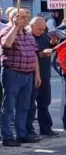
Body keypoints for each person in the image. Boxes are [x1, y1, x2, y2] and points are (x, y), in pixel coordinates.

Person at [1, 8, 41, 146]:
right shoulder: (6, 31)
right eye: (23, 17)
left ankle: (21, 133)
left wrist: (37, 74)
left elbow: (34, 55)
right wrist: (15, 26)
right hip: (12, 74)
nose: (26, 19)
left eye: (26, 17)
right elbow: (7, 44)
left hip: (28, 75)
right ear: (14, 18)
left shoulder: (28, 35)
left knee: (23, 106)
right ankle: (7, 137)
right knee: (8, 107)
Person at [27, 17, 57, 137]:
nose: (41, 31)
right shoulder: (28, 37)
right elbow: (31, 55)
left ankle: (46, 127)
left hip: (45, 74)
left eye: (43, 29)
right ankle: (28, 129)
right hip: (31, 74)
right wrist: (42, 53)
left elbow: (48, 44)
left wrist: (53, 43)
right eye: (39, 29)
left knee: (44, 102)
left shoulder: (44, 35)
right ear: (32, 25)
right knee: (30, 104)